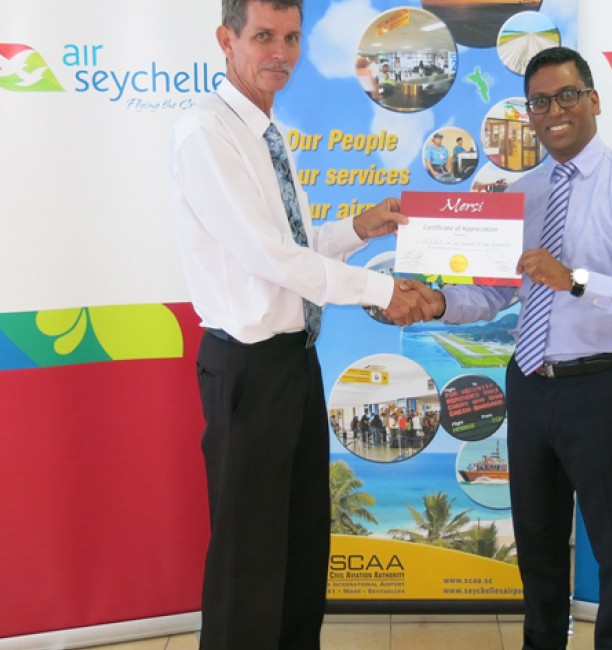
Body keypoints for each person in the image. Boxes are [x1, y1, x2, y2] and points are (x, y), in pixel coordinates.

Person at [168, 1, 435, 648]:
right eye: (263, 37)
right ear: (225, 40)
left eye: (291, 37)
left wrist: (357, 229)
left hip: (293, 363)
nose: (280, 52)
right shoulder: (208, 134)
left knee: (299, 543)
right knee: (248, 560)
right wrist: (381, 290)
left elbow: (295, 242)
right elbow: (268, 256)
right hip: (247, 369)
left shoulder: (271, 131)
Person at [413, 46, 612, 649]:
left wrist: (578, 280)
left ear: (593, 100)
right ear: (530, 115)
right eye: (539, 102)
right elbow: (489, 294)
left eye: (566, 95)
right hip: (531, 386)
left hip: (604, 390)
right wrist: (436, 304)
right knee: (537, 546)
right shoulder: (523, 192)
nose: (553, 111)